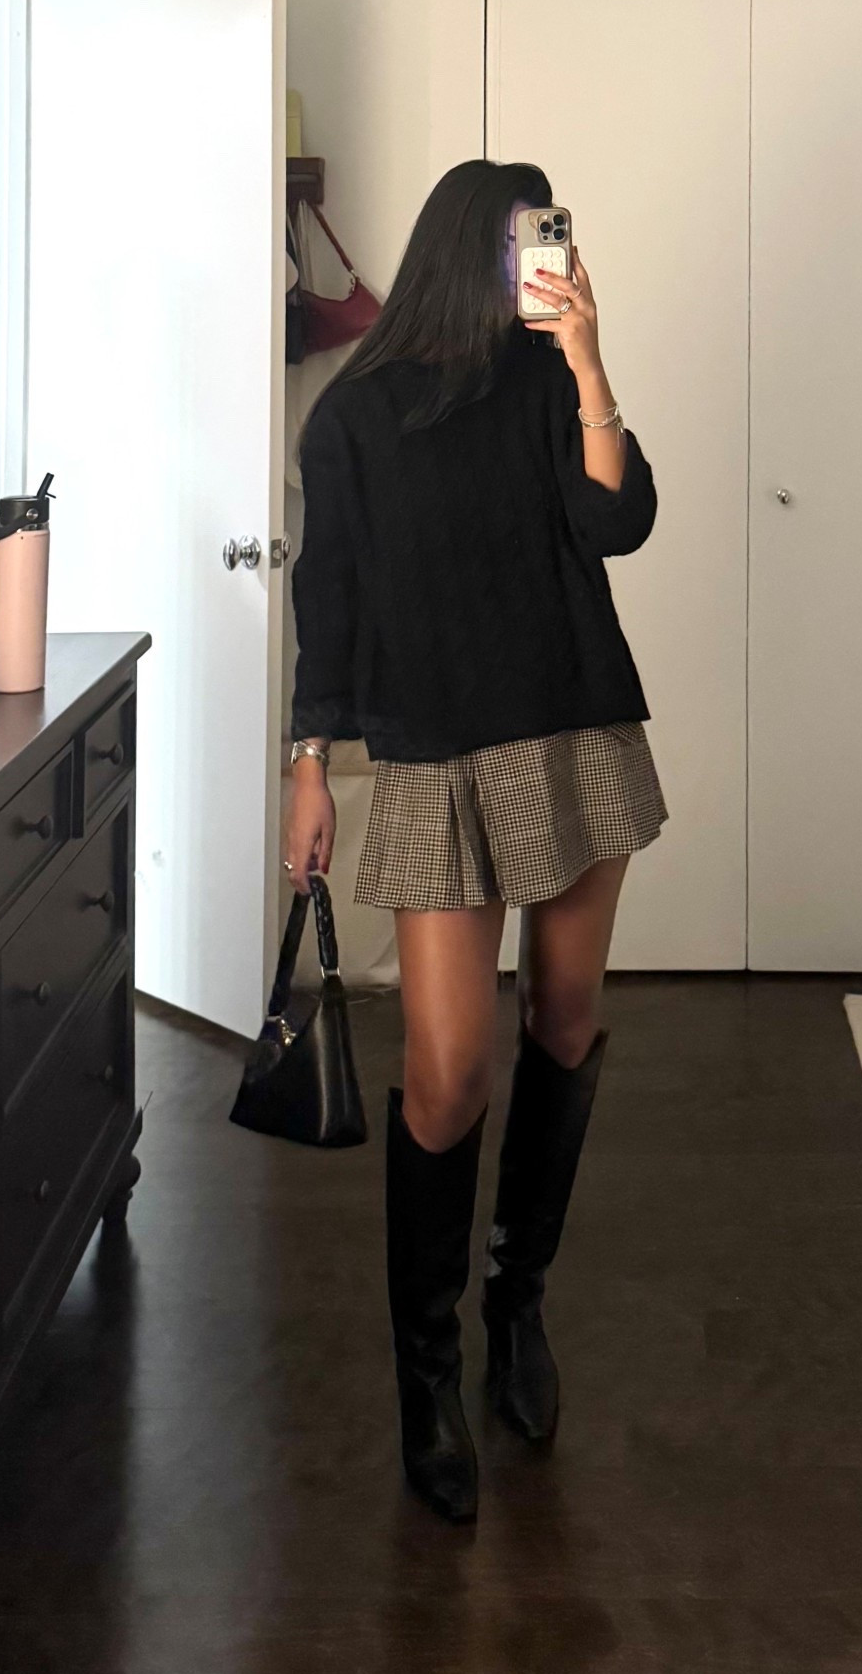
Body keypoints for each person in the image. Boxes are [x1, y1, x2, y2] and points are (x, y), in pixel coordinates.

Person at [285, 158, 666, 1523]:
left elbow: (618, 520)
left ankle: (518, 1306)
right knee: (445, 1074)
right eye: (522, 245)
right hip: (432, 755)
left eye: (550, 242)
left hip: (572, 729)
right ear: (470, 249)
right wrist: (309, 763)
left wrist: (590, 357)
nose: (540, 264)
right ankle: (427, 1372)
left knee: (563, 1022)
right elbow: (328, 602)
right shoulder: (354, 416)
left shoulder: (553, 379)